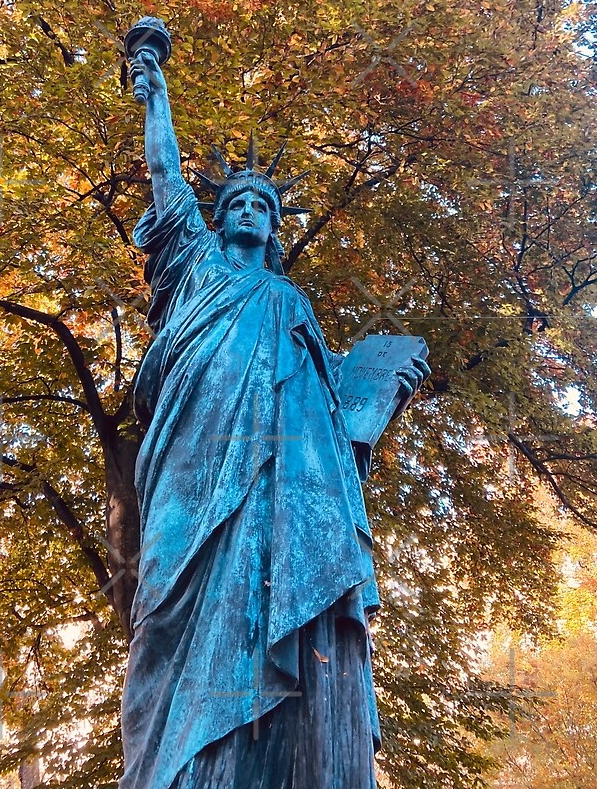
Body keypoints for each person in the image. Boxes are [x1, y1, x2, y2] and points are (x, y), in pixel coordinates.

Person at [119, 50, 427, 789]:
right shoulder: (195, 265)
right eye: (239, 204)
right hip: (190, 459)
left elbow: (326, 419)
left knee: (271, 601)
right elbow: (166, 179)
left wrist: (375, 403)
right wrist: (155, 93)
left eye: (265, 205)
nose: (252, 211)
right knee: (161, 607)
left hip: (284, 486)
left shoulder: (291, 303)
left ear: (275, 228)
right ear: (218, 220)